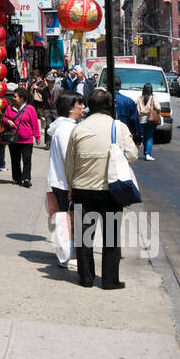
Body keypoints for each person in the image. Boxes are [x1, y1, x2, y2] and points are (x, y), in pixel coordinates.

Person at [64, 88, 138, 289]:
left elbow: (69, 162)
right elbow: (132, 154)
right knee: (112, 237)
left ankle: (86, 278)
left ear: (89, 106)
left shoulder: (78, 128)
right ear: (109, 106)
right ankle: (110, 280)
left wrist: (71, 186)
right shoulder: (118, 127)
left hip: (82, 189)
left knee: (84, 237)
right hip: (111, 191)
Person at [46, 91, 86, 271]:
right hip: (65, 182)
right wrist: (73, 185)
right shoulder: (66, 129)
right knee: (67, 220)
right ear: (71, 108)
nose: (83, 108)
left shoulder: (64, 126)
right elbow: (67, 158)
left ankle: (66, 254)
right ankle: (66, 256)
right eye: (80, 105)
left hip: (62, 181)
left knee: (66, 218)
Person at [1, 85, 42, 187]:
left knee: (27, 160)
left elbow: (34, 124)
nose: (13, 98)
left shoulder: (30, 109)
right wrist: (8, 121)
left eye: (15, 97)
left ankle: (26, 178)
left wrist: (37, 137)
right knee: (15, 159)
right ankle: (16, 178)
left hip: (27, 140)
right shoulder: (10, 108)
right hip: (13, 139)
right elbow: (4, 118)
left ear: (22, 98)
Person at [114, 77, 142, 148]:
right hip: (124, 136)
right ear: (120, 86)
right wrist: (138, 138)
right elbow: (134, 121)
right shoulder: (128, 101)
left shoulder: (103, 100)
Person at [136, 82, 161, 161]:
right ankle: (148, 154)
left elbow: (137, 110)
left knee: (144, 136)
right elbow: (158, 107)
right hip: (150, 119)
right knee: (150, 137)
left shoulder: (140, 98)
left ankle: (141, 152)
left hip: (142, 119)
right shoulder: (153, 97)